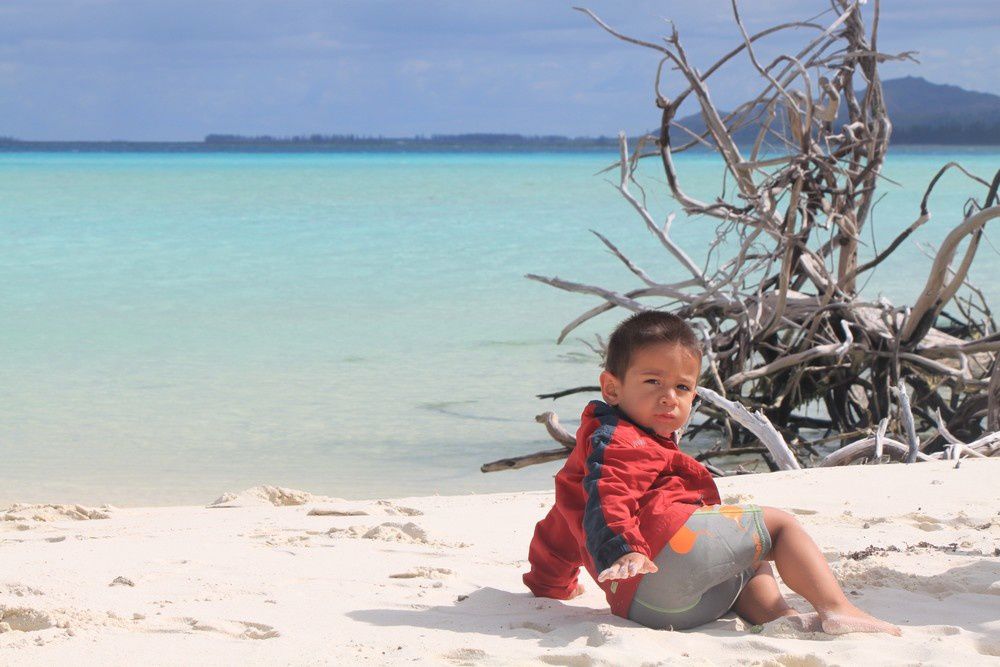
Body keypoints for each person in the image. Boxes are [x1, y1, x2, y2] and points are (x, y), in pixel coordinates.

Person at [523, 311, 901, 635]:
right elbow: (610, 495)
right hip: (652, 565)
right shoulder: (620, 441)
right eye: (653, 381)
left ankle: (779, 618)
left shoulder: (587, 465)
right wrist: (625, 549)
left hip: (651, 610)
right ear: (612, 388)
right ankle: (836, 608)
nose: (669, 396)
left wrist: (550, 585)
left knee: (747, 558)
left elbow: (558, 533)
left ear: (694, 396)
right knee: (778, 528)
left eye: (682, 387)